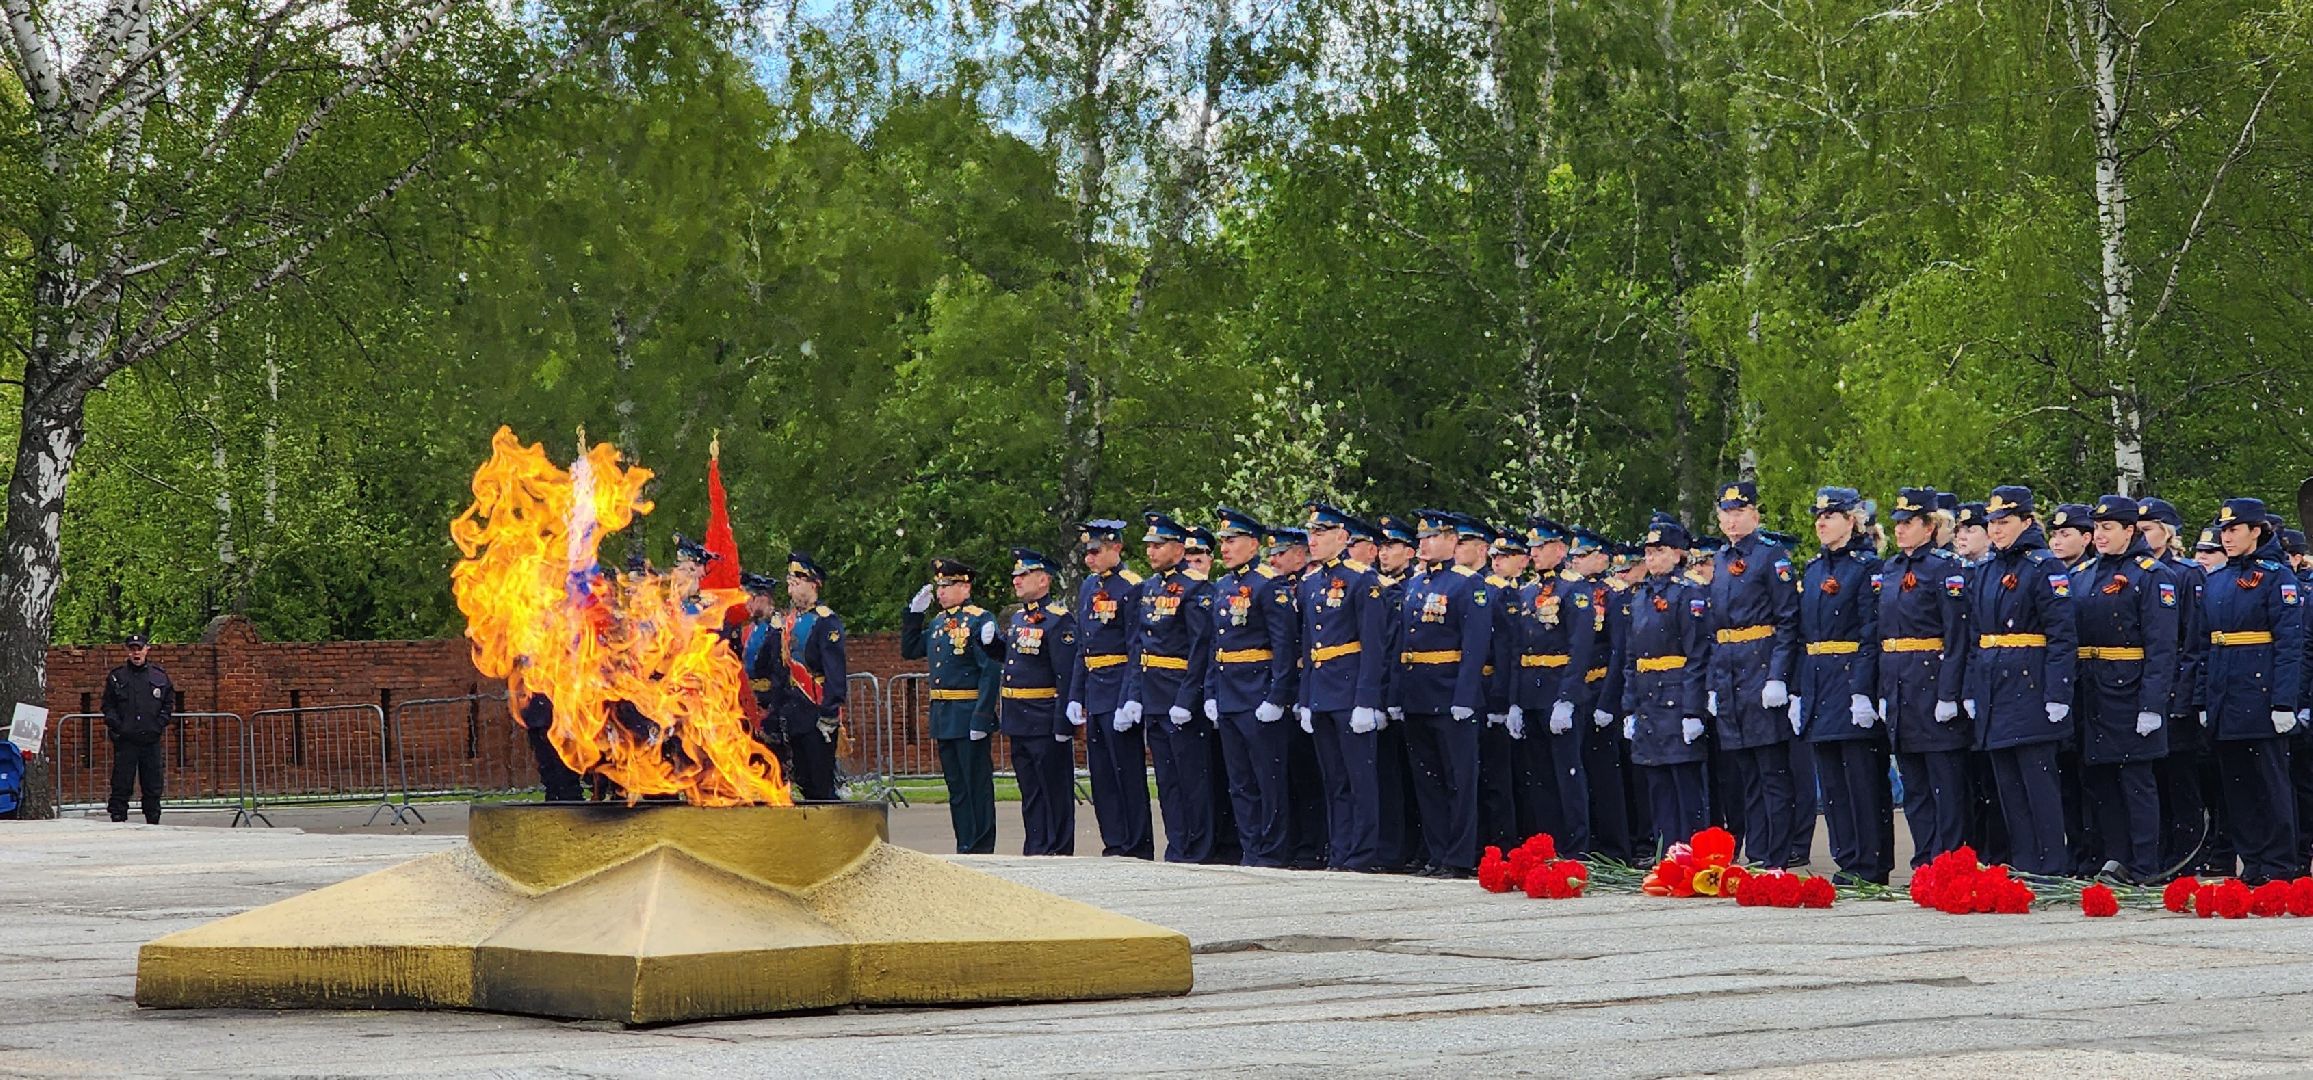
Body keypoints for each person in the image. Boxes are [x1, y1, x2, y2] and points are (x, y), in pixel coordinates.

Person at [1963, 487, 2077, 876]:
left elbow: (2062, 635)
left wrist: (2058, 692)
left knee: (2038, 784)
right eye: (1992, 523)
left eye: (2004, 522)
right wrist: (1971, 690)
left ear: (2027, 522)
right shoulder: (1986, 569)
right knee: (2008, 787)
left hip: (2031, 684)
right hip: (1994, 686)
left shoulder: (2044, 567)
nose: (1996, 530)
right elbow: (1976, 636)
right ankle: (2026, 863)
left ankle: (2052, 866)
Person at [2071, 495, 2179, 883]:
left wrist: (2152, 703)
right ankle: (2116, 859)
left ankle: (2145, 863)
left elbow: (2162, 646)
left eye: (2108, 528)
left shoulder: (2151, 575)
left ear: (2129, 531)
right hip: (2092, 688)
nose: (2099, 535)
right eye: (2096, 528)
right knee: (2100, 778)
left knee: (2136, 779)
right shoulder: (2084, 573)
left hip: (2130, 689)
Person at [2198, 497, 2305, 884]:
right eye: (2223, 531)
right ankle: (2253, 861)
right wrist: (2203, 699)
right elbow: (2204, 644)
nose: (2226, 538)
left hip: (2261, 694)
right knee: (2237, 786)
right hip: (2225, 695)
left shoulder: (2277, 577)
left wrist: (2283, 702)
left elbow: (2289, 645)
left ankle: (2279, 864)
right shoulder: (2217, 579)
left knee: (2270, 783)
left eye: (2234, 530)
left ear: (2255, 531)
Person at [1794, 487, 1890, 885]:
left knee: (1862, 781)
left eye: (1830, 516)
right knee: (1833, 781)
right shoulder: (1814, 569)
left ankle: (1870, 863)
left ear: (1851, 521)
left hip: (1851, 680)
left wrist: (1863, 690)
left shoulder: (1867, 568)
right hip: (1819, 683)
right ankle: (1847, 859)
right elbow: (1803, 635)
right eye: (1819, 517)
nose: (1821, 523)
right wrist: (1798, 691)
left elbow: (1871, 632)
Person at [1393, 511, 1495, 877]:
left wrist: (1465, 697)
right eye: (1421, 538)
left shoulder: (1467, 585)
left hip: (1450, 694)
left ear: (1452, 541)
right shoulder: (1415, 584)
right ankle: (1437, 853)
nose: (1423, 544)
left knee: (1459, 781)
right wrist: (1397, 694)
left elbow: (1475, 646)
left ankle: (1458, 856)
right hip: (1417, 694)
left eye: (1432, 537)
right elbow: (1403, 644)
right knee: (1428, 781)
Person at [1706, 481, 1800, 868]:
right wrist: (1713, 684)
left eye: (1739, 512)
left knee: (1772, 772)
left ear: (1755, 515)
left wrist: (1778, 675)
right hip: (1730, 673)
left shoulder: (1770, 557)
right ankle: (1758, 855)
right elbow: (1715, 628)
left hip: (1760, 667)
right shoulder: (1719, 560)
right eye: (1726, 513)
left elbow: (1788, 620)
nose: (1731, 520)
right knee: (1746, 774)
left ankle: (1777, 856)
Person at [1295, 502, 1392, 871]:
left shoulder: (1362, 580)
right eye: (1311, 533)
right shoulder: (1310, 584)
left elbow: (1373, 645)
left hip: (1351, 693)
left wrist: (1366, 700)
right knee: (1334, 779)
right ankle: (1340, 850)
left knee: (1359, 779)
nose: (1313, 539)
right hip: (1322, 692)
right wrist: (1306, 698)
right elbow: (1309, 646)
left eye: (1321, 533)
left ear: (1342, 537)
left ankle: (1363, 853)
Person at [1878, 488, 1971, 866]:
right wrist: (1881, 691)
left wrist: (1949, 693)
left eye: (1909, 522)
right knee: (1915, 784)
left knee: (1945, 784)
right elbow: (1883, 633)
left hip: (1932, 684)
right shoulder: (1890, 569)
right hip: (1900, 686)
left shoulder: (1945, 568)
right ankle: (1924, 861)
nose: (1900, 529)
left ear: (1929, 526)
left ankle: (1949, 861)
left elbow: (1956, 636)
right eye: (1897, 523)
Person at [1123, 510, 1221, 863]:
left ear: (1178, 549)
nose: (1150, 551)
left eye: (1159, 545)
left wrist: (1187, 698)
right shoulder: (1150, 588)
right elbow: (1140, 647)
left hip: (1180, 695)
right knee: (1166, 780)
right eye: (1149, 545)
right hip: (1153, 694)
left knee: (1192, 778)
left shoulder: (1195, 588)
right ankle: (1178, 845)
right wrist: (1134, 695)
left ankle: (1199, 849)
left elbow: (1200, 649)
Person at [1208, 507, 1300, 867]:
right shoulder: (1223, 586)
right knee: (1240, 782)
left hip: (1258, 693)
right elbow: (1217, 646)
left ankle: (1273, 850)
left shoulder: (1269, 584)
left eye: (1232, 541)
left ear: (1253, 544)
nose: (1225, 548)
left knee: (1268, 779)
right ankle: (1252, 848)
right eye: (1223, 541)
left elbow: (1284, 646)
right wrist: (1212, 693)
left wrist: (1277, 696)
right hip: (1230, 694)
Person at [2140, 497, 2221, 875]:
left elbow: (2192, 641)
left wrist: (2183, 694)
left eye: (2148, 529)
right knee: (2153, 777)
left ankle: (2187, 855)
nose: (2142, 536)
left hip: (2176, 687)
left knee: (2180, 777)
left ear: (2167, 532)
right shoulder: (2139, 571)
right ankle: (2160, 852)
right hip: (2146, 686)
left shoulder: (2186, 574)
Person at [1621, 520, 1712, 848]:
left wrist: (1693, 711)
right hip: (1648, 701)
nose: (1651, 557)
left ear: (1677, 554)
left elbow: (1698, 655)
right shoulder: (1641, 596)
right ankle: (1668, 856)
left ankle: (1696, 855)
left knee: (1685, 785)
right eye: (1648, 551)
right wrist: (1629, 707)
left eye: (1659, 551)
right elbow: (1632, 657)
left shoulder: (1688, 593)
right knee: (1657, 784)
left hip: (1676, 698)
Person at [985, 548, 1080, 856]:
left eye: (1024, 575)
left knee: (1054, 790)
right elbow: (1015, 659)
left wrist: (1064, 723)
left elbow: (1065, 675)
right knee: (1030, 791)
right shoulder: (1019, 617)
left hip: (1044, 717)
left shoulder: (1058, 621)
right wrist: (991, 644)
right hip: (1019, 718)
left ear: (1043, 580)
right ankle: (1036, 846)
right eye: (1016, 575)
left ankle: (1058, 849)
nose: (1016, 580)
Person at [903, 558, 1002, 854]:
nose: (941, 591)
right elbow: (910, 650)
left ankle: (982, 846)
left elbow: (990, 670)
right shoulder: (938, 622)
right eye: (940, 586)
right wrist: (913, 616)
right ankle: (965, 844)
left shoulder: (979, 619)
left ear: (965, 587)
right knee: (957, 788)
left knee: (976, 786)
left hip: (968, 712)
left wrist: (982, 716)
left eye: (948, 585)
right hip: (944, 715)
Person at [1067, 519, 1152, 859]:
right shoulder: (1089, 586)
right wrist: (1076, 694)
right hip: (1095, 687)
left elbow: (1135, 646)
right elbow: (1084, 645)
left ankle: (1137, 844)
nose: (1089, 558)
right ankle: (1114, 841)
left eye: (1096, 551)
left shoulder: (1131, 586)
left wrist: (1130, 696)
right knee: (1101, 774)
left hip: (1118, 685)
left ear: (1116, 547)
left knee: (1126, 772)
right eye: (1086, 552)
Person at [1514, 516, 1586, 851]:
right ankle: (1548, 846)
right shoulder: (1528, 591)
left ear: (1559, 549)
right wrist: (1515, 701)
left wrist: (1567, 698)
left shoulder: (1575, 590)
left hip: (1558, 692)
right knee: (1539, 777)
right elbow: (1518, 649)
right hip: (1531, 692)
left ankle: (1575, 847)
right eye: (1532, 548)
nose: (1534, 553)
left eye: (1540, 547)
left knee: (1567, 775)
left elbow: (1580, 648)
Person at [1561, 527, 1629, 859]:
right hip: (1576, 690)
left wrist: (1608, 701)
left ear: (1602, 558)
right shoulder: (1568, 591)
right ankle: (1585, 844)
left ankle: (1615, 848)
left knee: (1604, 773)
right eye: (1574, 556)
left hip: (1601, 687)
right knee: (1577, 770)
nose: (1576, 561)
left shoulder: (1613, 594)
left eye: (1584, 555)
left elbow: (1619, 652)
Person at [767, 551, 848, 801]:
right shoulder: (789, 622)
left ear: (813, 584)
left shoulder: (825, 621)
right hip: (794, 712)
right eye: (790, 583)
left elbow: (835, 671)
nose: (791, 589)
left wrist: (829, 712)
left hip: (816, 710)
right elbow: (780, 670)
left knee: (820, 782)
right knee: (803, 780)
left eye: (797, 582)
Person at [1478, 522, 1527, 851]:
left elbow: (1509, 651)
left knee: (1501, 775)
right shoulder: (1487, 588)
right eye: (1495, 555)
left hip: (1498, 690)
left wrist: (1503, 700)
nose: (1497, 561)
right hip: (1483, 688)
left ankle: (1505, 842)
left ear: (1522, 560)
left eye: (1505, 556)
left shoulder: (1508, 594)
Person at [101, 632, 174, 824]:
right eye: (132, 649)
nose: (136, 653)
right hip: (126, 740)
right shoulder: (117, 677)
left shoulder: (159, 676)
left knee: (152, 783)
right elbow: (108, 706)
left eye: (139, 649)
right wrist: (118, 727)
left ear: (146, 649)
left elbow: (168, 704)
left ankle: (153, 819)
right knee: (121, 783)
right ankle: (118, 819)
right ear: (127, 651)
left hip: (150, 739)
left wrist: (158, 724)